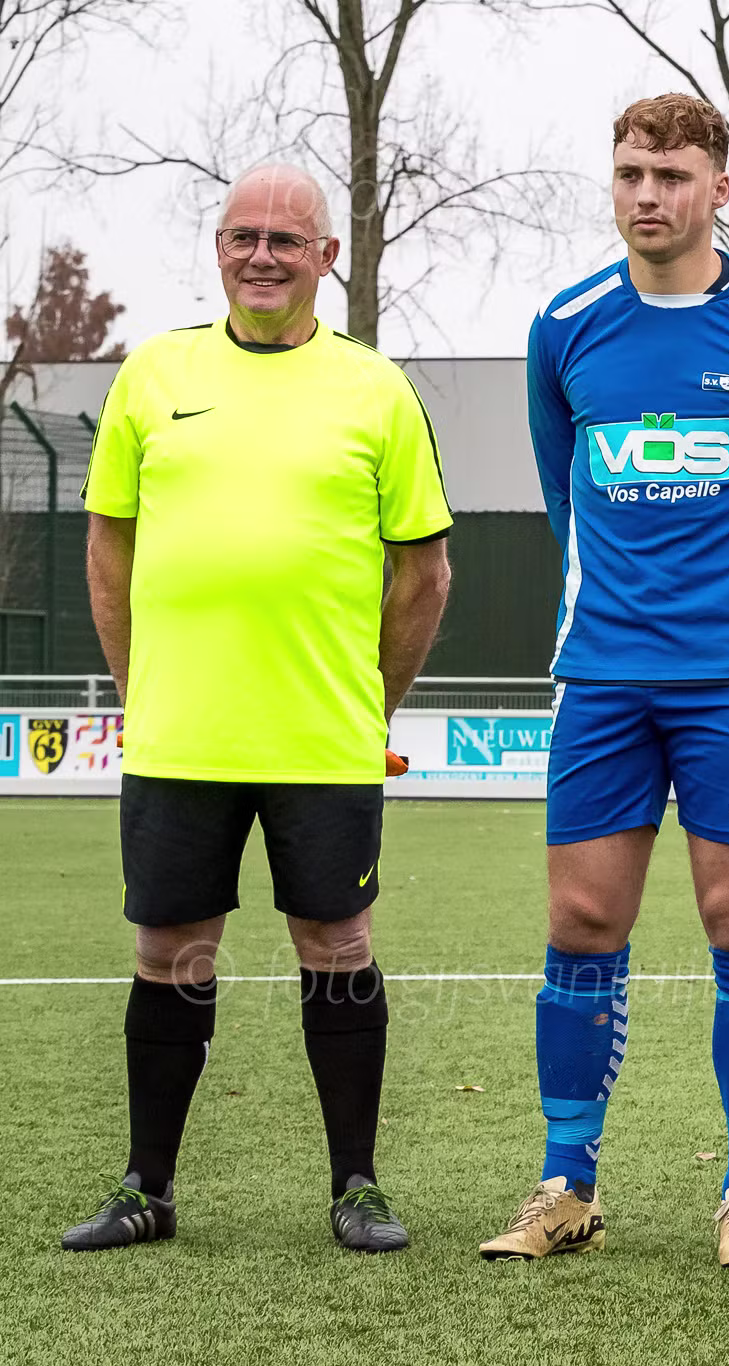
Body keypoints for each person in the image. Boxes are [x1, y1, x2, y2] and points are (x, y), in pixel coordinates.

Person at [481, 94, 729, 1266]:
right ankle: (565, 1184)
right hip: (601, 672)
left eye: (671, 174)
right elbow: (564, 496)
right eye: (630, 173)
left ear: (718, 187)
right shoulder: (563, 325)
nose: (647, 194)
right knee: (580, 920)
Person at [64, 164, 452, 1253]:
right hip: (181, 735)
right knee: (170, 953)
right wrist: (142, 690)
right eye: (244, 235)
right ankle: (147, 1188)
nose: (263, 255)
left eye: (287, 239)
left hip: (321, 739)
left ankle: (357, 1187)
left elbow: (425, 574)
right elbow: (108, 548)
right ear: (219, 248)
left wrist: (368, 704)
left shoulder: (376, 390)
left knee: (337, 943)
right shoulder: (153, 374)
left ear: (326, 256)